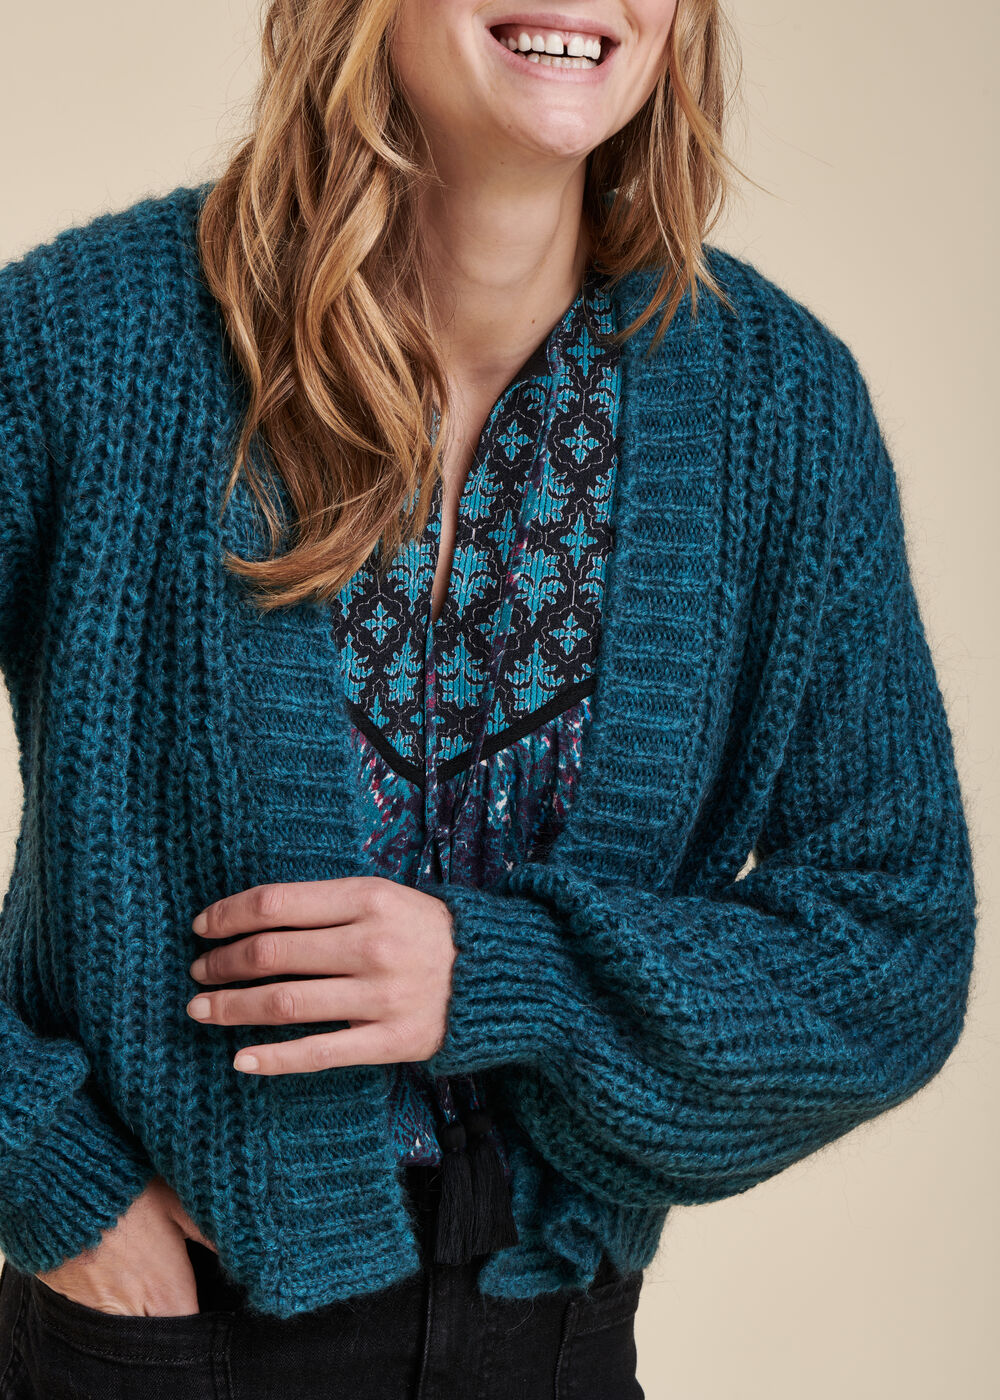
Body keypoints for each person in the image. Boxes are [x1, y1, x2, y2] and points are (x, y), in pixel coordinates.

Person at [0, 0, 978, 1396]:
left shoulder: (778, 408)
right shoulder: (90, 344)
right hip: (158, 1339)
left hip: (549, 1329)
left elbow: (897, 943)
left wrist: (509, 978)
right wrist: (46, 1173)